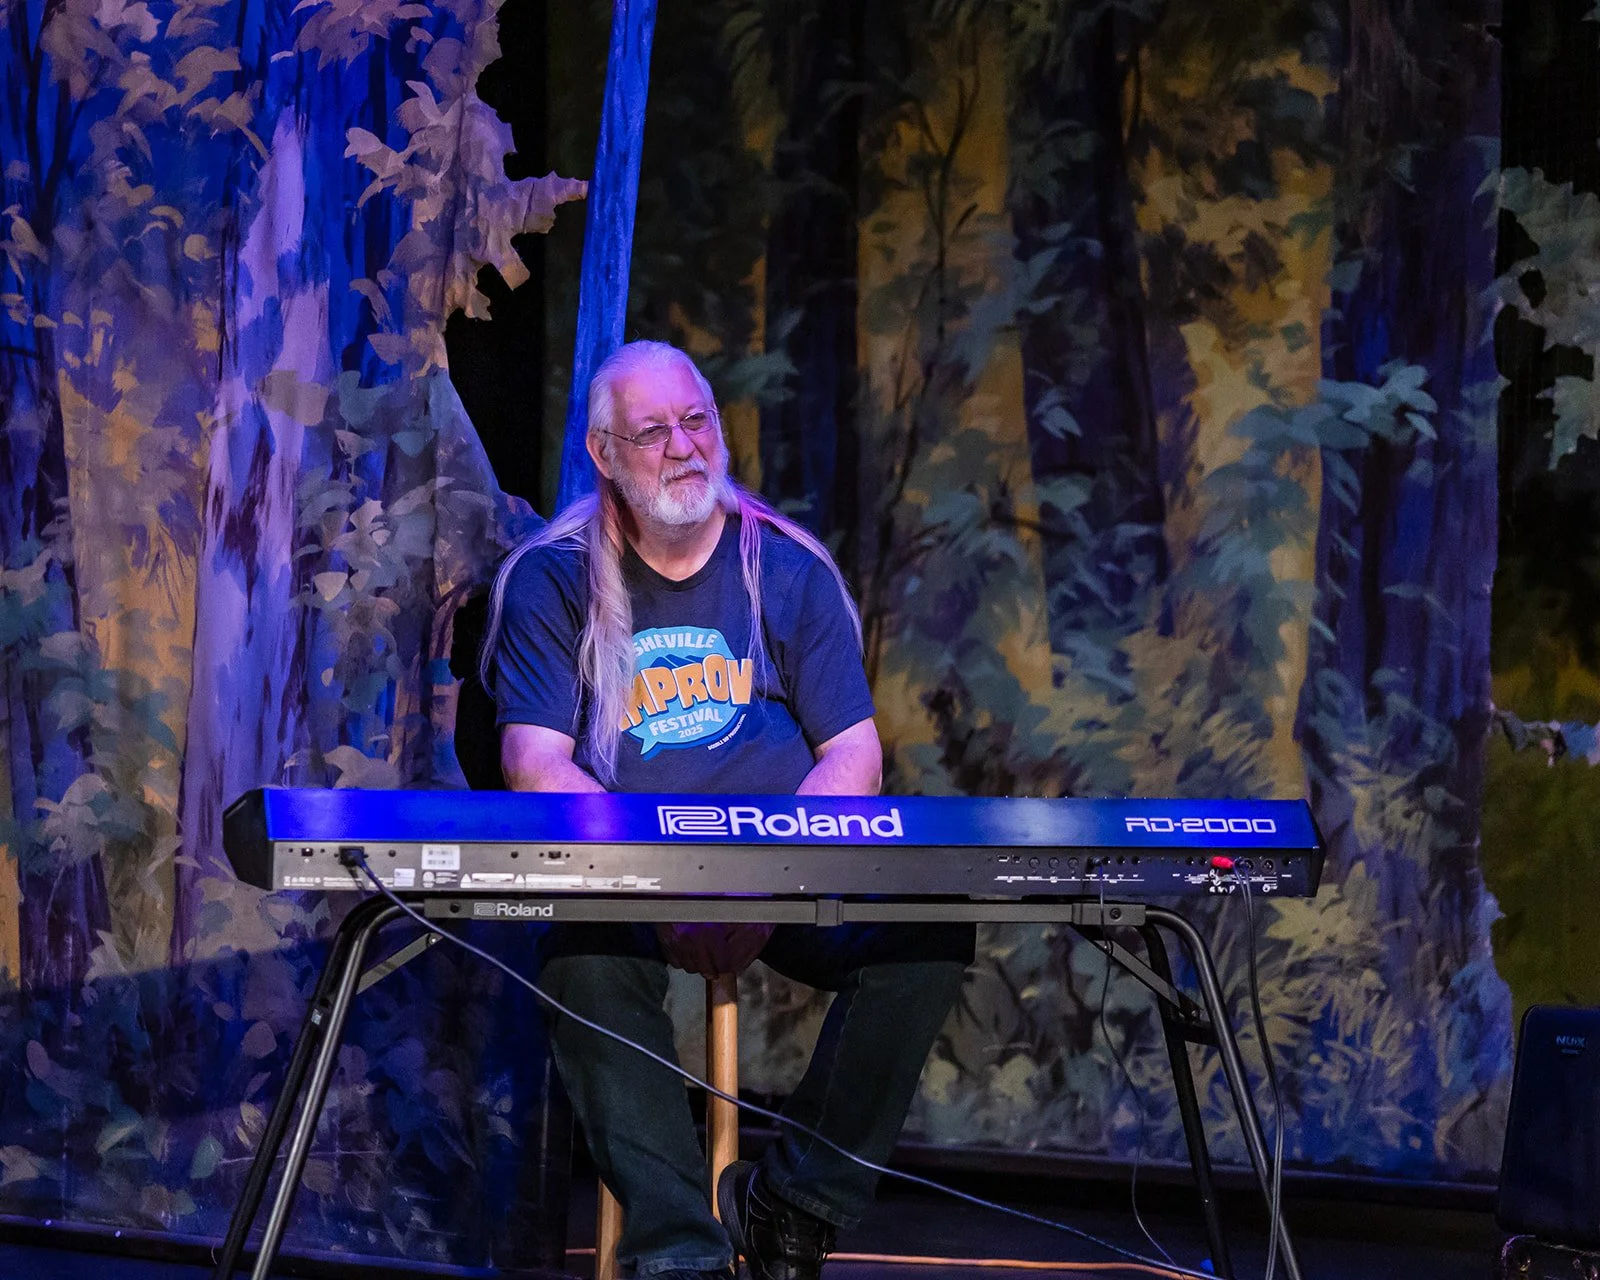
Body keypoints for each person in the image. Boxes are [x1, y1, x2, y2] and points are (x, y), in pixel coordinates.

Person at [483, 341, 972, 1280]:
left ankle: (792, 1207)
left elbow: (854, 757)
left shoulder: (786, 568)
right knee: (580, 958)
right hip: (625, 882)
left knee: (927, 927)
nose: (683, 446)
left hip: (778, 874)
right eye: (653, 431)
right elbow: (534, 763)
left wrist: (764, 887)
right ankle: (680, 1252)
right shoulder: (552, 578)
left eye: (696, 420)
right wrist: (660, 889)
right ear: (604, 453)